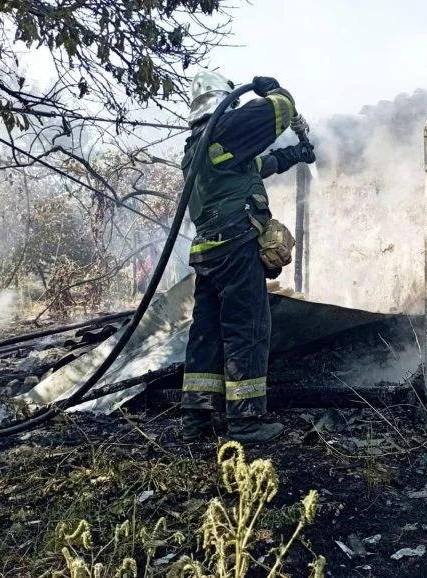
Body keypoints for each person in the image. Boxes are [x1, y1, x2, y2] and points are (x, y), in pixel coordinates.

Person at [180, 71, 316, 444]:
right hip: (237, 246)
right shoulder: (227, 127)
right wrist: (272, 88)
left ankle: (196, 419)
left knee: (206, 332)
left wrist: (295, 156)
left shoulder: (199, 147)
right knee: (248, 329)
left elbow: (253, 168)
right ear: (224, 101)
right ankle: (246, 421)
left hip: (209, 253)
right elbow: (282, 108)